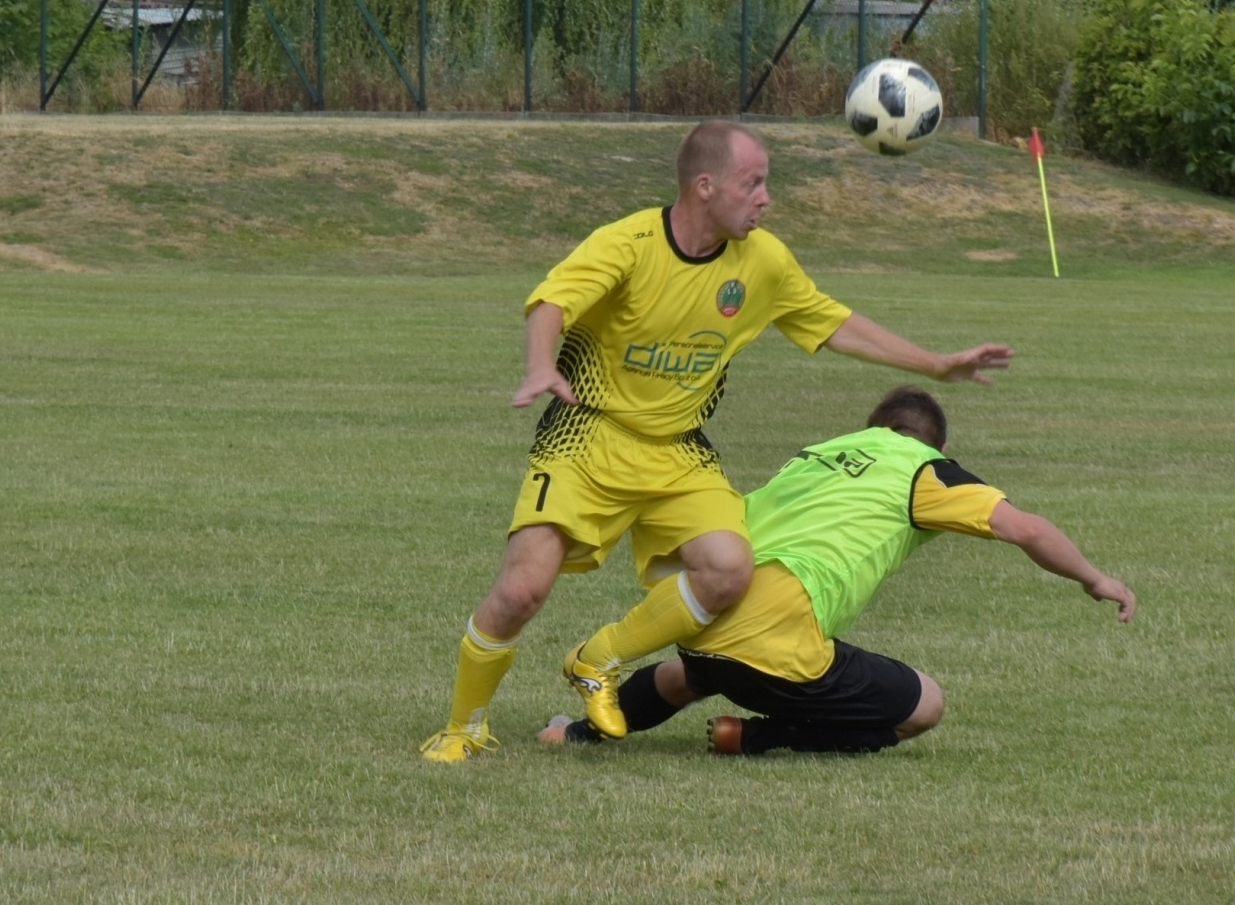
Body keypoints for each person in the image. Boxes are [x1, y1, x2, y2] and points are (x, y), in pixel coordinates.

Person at [420, 122, 1015, 762]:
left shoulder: (762, 262)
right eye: (752, 183)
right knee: (521, 591)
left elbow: (832, 322)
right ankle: (465, 728)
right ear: (705, 187)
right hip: (587, 436)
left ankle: (600, 659)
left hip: (679, 452)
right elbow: (552, 304)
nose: (766, 198)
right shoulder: (628, 244)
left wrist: (934, 364)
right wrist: (541, 364)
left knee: (729, 568)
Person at [539, 385, 1136, 755]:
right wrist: (1094, 578)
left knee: (690, 675)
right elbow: (1025, 528)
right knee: (924, 706)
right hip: (776, 642)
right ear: (934, 445)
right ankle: (754, 738)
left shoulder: (814, 455)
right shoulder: (923, 466)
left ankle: (574, 733)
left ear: (874, 426)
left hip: (701, 621)